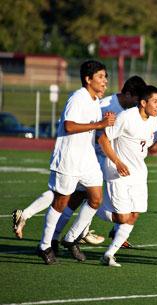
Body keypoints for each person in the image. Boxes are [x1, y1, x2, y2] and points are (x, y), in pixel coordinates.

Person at [12, 75, 146, 249]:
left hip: (97, 157)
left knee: (74, 195)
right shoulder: (105, 104)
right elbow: (78, 125)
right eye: (137, 99)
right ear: (128, 94)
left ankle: (53, 231)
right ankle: (72, 232)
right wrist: (101, 126)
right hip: (90, 155)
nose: (138, 103)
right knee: (70, 194)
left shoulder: (125, 111)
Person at [36, 60, 115, 265]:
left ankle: (70, 238)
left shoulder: (95, 101)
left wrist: (104, 126)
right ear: (88, 79)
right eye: (100, 76)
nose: (105, 81)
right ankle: (45, 245)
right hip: (69, 158)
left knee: (95, 198)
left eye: (105, 76)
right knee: (60, 202)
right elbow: (69, 126)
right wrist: (99, 123)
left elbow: (95, 130)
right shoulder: (77, 98)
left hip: (87, 158)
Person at [97, 85, 157, 266]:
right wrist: (117, 162)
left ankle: (109, 254)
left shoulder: (154, 121)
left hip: (139, 174)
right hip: (118, 172)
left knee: (135, 214)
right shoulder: (126, 117)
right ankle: (93, 204)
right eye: (155, 101)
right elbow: (103, 139)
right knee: (122, 218)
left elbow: (150, 151)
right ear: (143, 102)